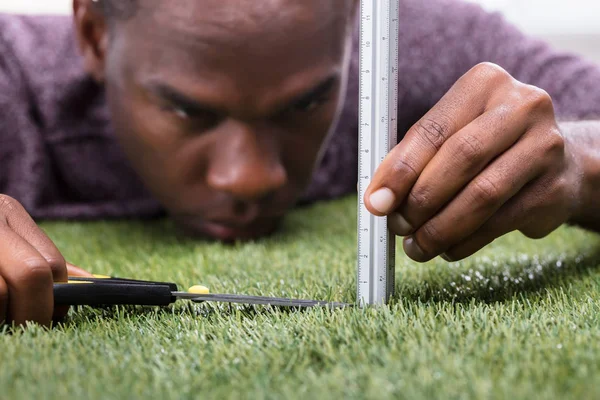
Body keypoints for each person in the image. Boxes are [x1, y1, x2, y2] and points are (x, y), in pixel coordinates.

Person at [0, 0, 599, 325]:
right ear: (95, 36)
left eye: (306, 103)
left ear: (353, 30)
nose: (252, 178)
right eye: (189, 110)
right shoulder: (12, 76)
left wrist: (574, 163)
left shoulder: (406, 44)